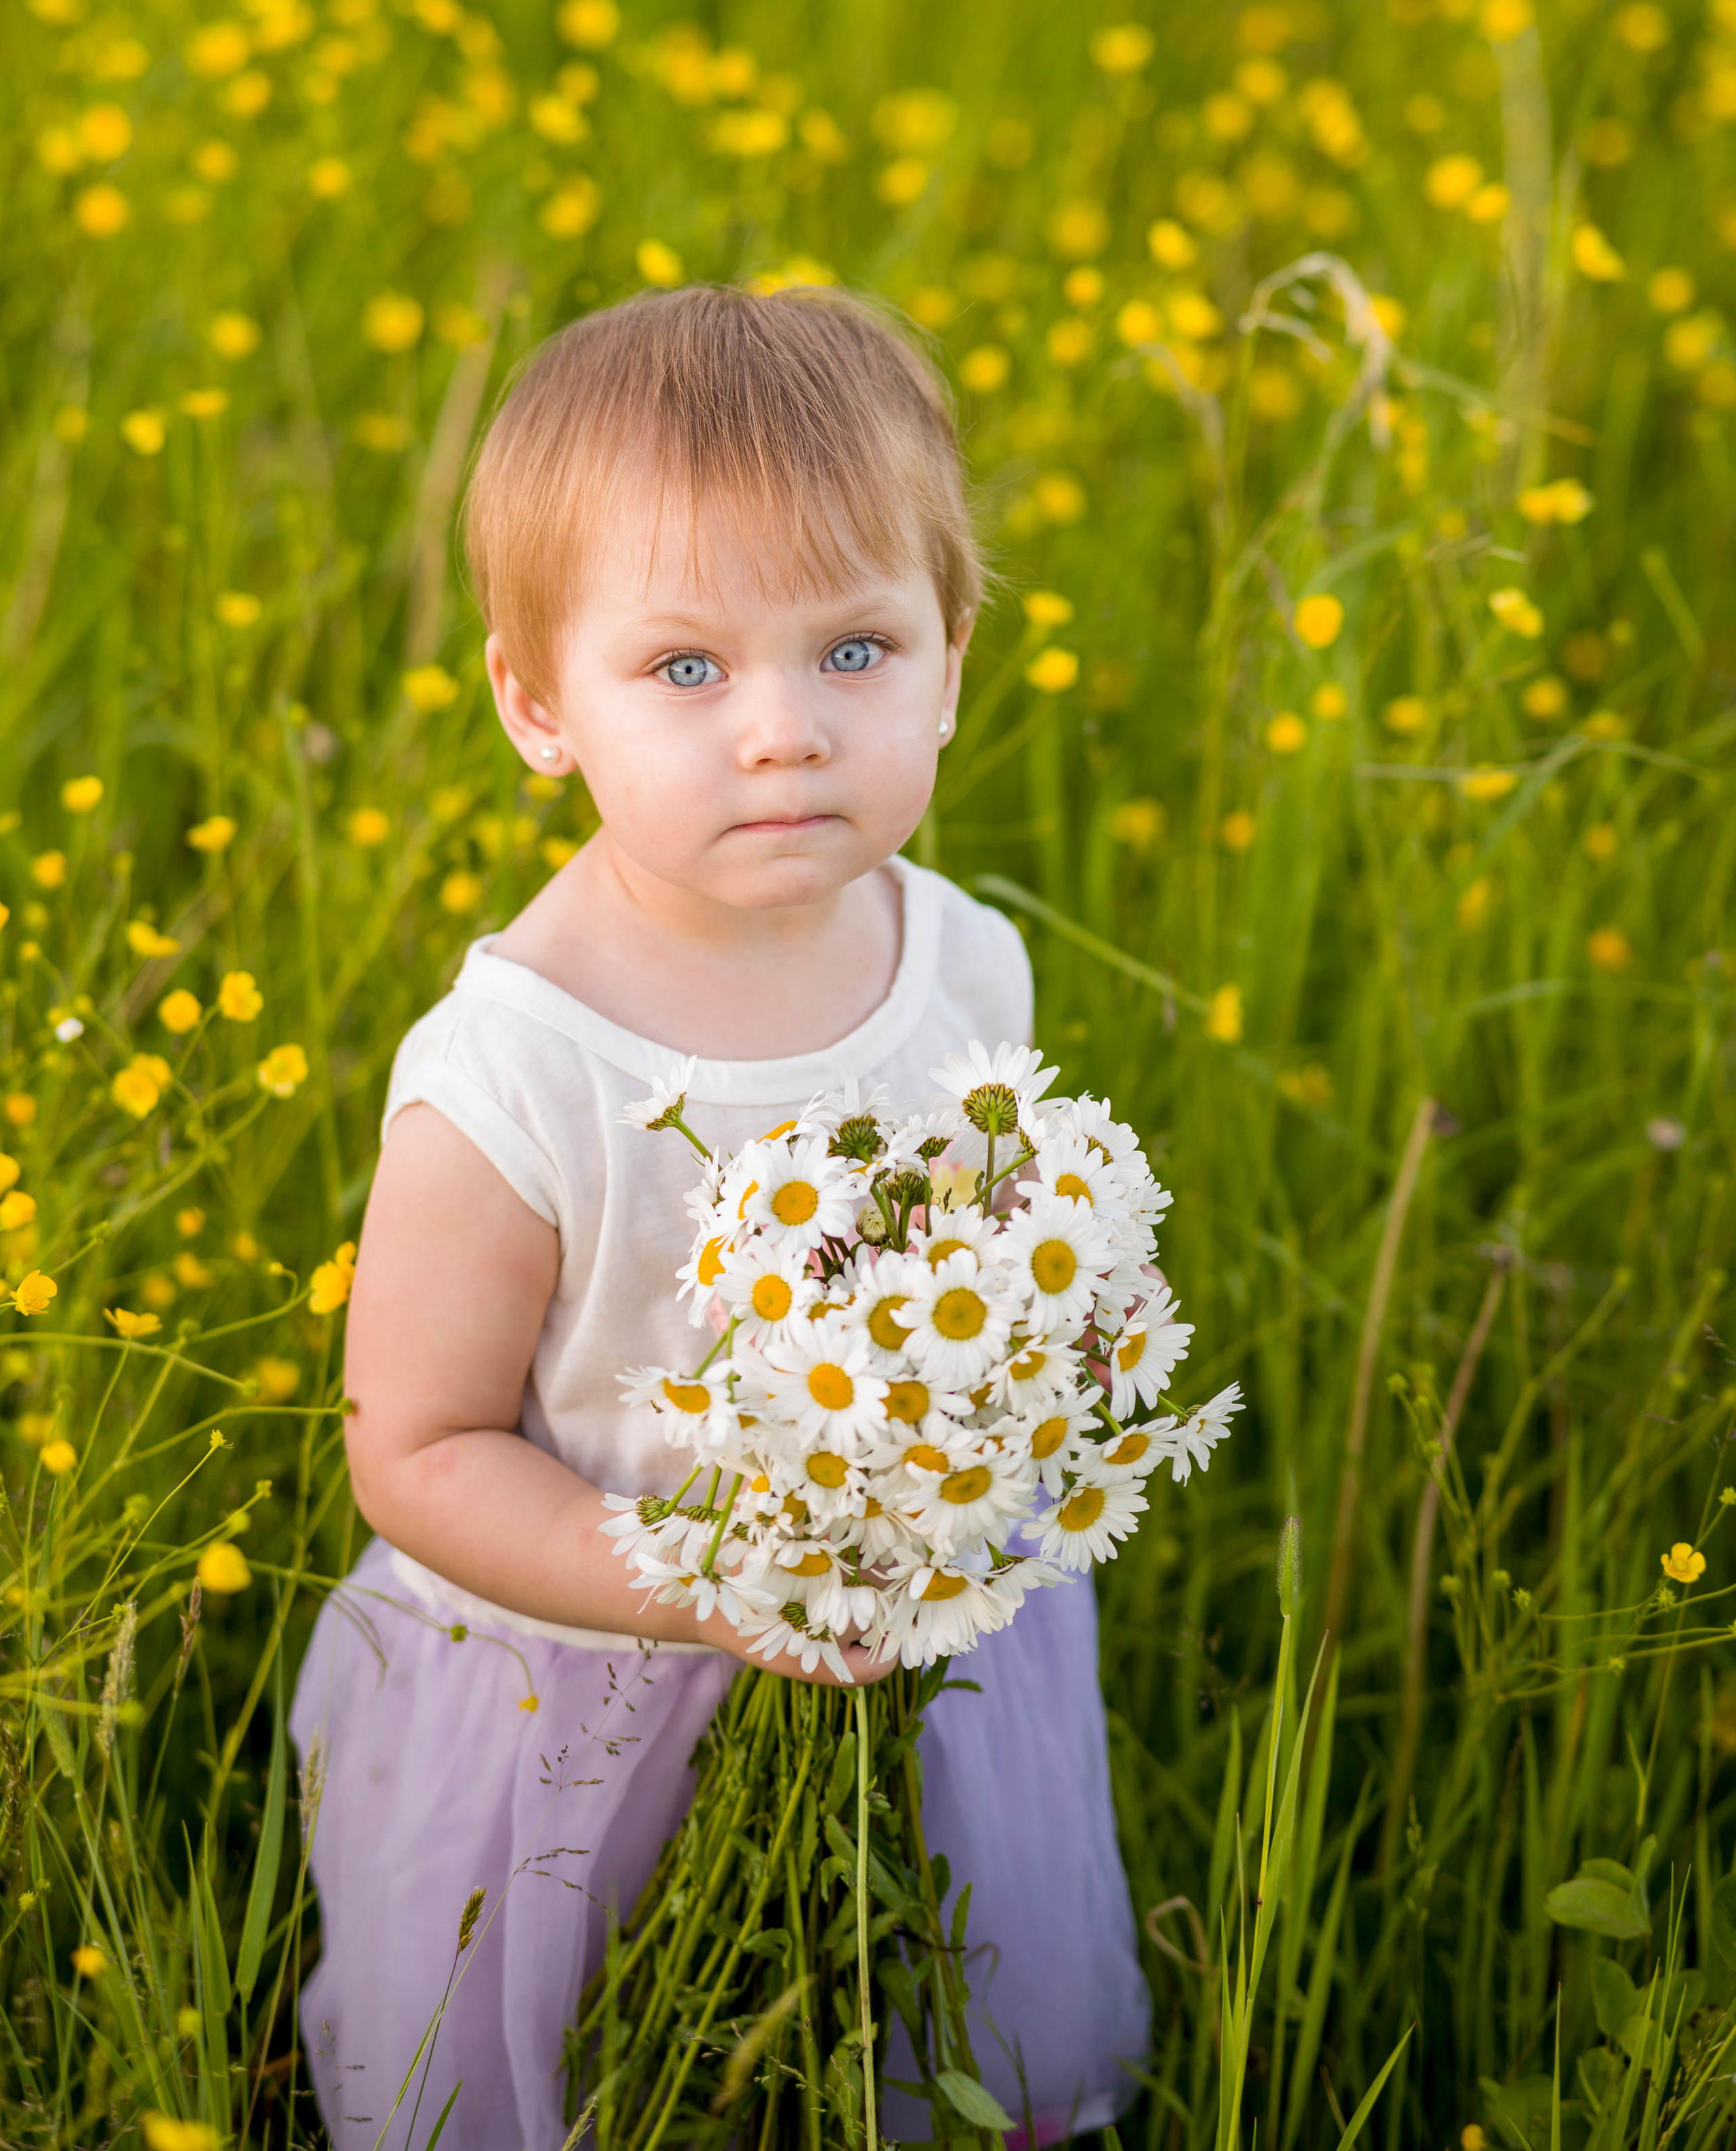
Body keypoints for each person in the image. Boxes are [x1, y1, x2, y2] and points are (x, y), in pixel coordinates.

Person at [289, 282, 1150, 2149]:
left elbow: (985, 1265)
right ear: (538, 705)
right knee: (595, 2058)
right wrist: (714, 1588)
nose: (782, 731)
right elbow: (417, 1449)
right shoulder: (511, 1077)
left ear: (953, 658)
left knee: (921, 2009)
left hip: (902, 1629)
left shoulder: (969, 970)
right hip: (580, 1681)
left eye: (854, 649)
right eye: (686, 668)